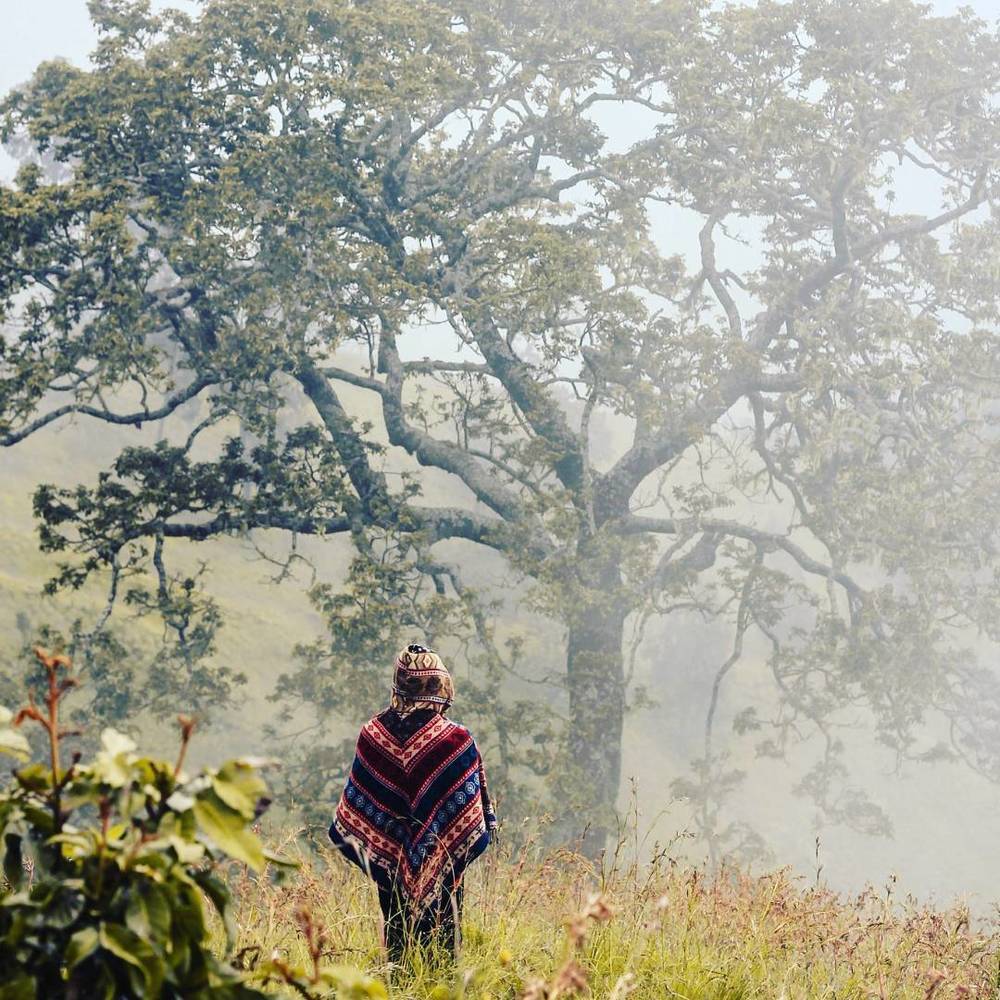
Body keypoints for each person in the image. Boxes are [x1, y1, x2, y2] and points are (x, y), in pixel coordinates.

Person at [329, 643, 497, 964]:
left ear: (399, 683)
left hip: (390, 862)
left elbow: (360, 804)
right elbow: (471, 814)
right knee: (443, 951)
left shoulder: (372, 734)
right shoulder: (456, 741)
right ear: (440, 684)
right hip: (442, 861)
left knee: (397, 947)